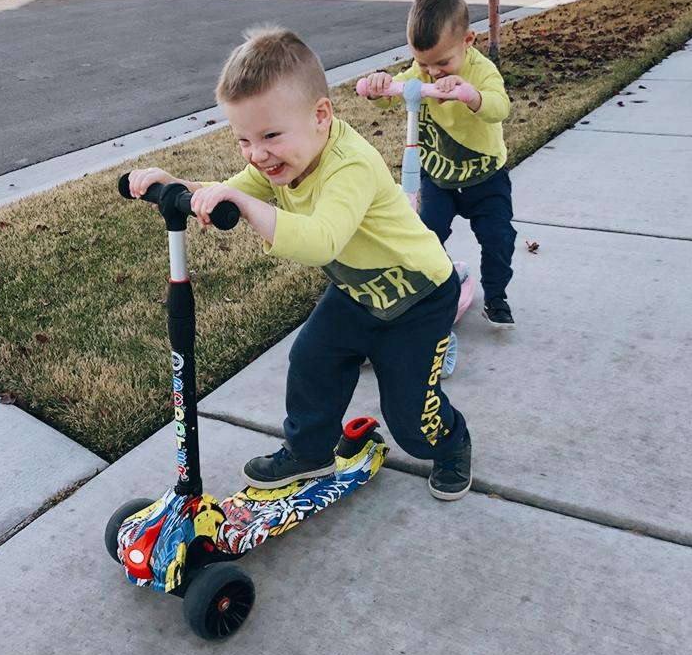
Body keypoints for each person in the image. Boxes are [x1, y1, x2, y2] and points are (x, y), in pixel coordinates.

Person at [128, 26, 472, 501]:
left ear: (321, 115)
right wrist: (178, 186)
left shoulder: (349, 165)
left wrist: (248, 206)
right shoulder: (279, 161)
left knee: (412, 421)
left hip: (419, 298)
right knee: (311, 360)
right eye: (244, 140)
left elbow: (321, 243)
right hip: (357, 292)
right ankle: (309, 452)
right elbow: (228, 192)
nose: (258, 154)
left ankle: (452, 443)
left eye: (270, 135)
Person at [362, 0, 517, 328]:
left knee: (498, 237)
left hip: (485, 176)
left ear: (469, 41)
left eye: (443, 63)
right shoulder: (422, 74)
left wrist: (472, 96)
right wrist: (379, 87)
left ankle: (495, 295)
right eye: (423, 63)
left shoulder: (483, 71)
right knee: (425, 234)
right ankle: (436, 284)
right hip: (438, 177)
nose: (433, 73)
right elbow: (391, 94)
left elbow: (499, 106)